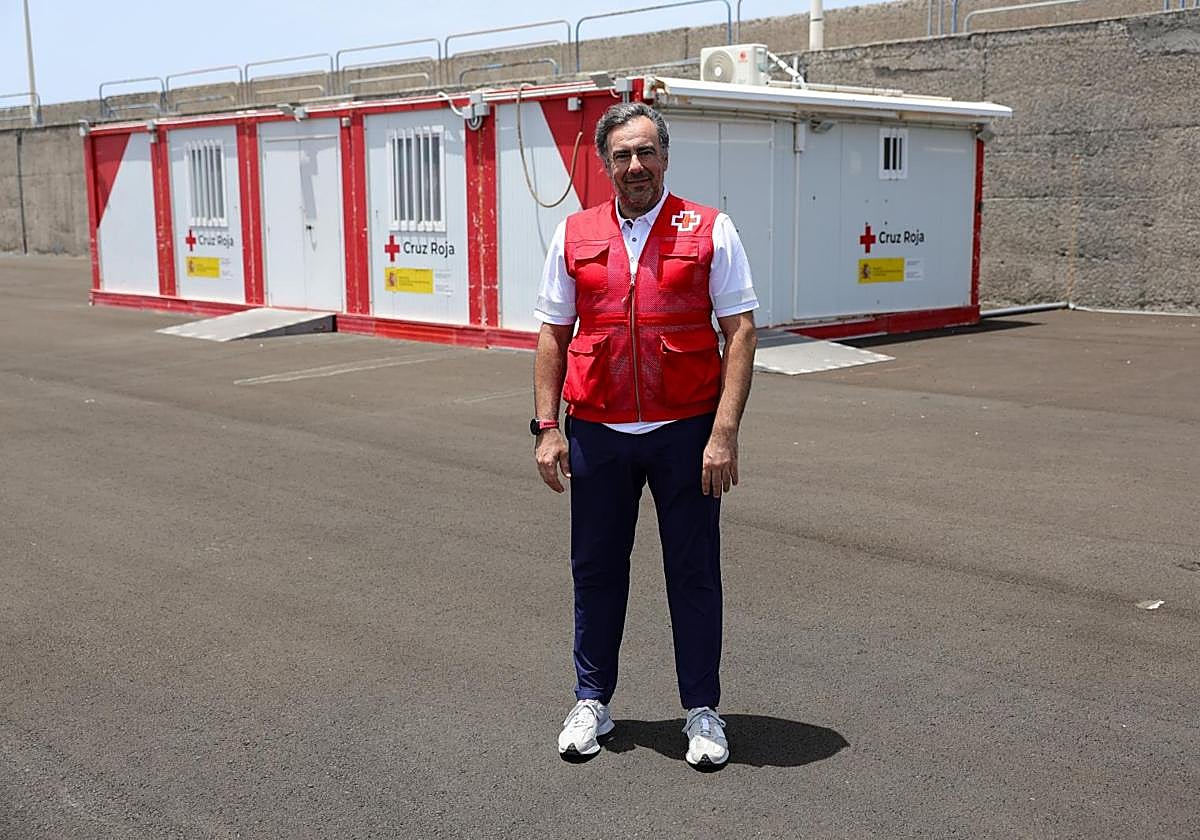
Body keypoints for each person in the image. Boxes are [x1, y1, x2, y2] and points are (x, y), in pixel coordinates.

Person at [531, 101, 758, 770]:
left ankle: (703, 712)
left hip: (684, 433)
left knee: (693, 573)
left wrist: (723, 434)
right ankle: (592, 700)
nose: (636, 165)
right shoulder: (573, 234)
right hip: (597, 431)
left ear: (665, 157)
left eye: (647, 152)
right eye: (623, 156)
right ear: (605, 166)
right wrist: (548, 429)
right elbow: (552, 334)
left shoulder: (710, 229)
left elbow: (740, 332)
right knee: (596, 570)